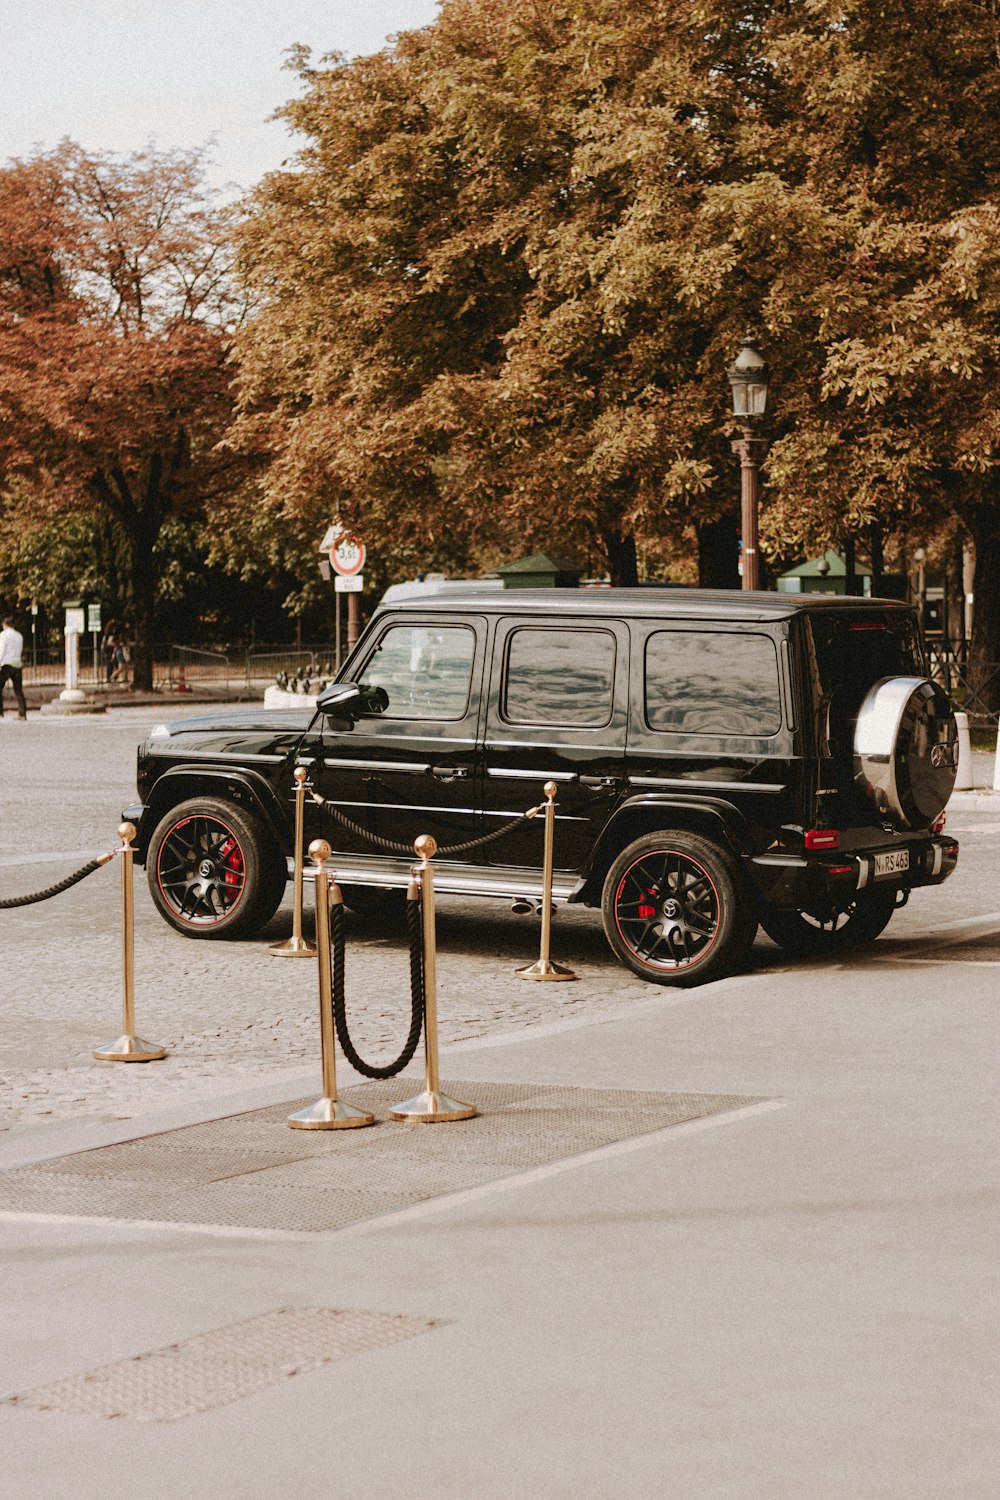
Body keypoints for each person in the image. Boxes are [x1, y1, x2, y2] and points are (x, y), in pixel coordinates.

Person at [0, 615, 28, 719]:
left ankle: (0, 712)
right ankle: (22, 713)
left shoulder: (3, 635)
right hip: (17, 664)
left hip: (6, 664)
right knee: (18, 690)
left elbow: (1, 650)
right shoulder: (19, 636)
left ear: (5, 625)